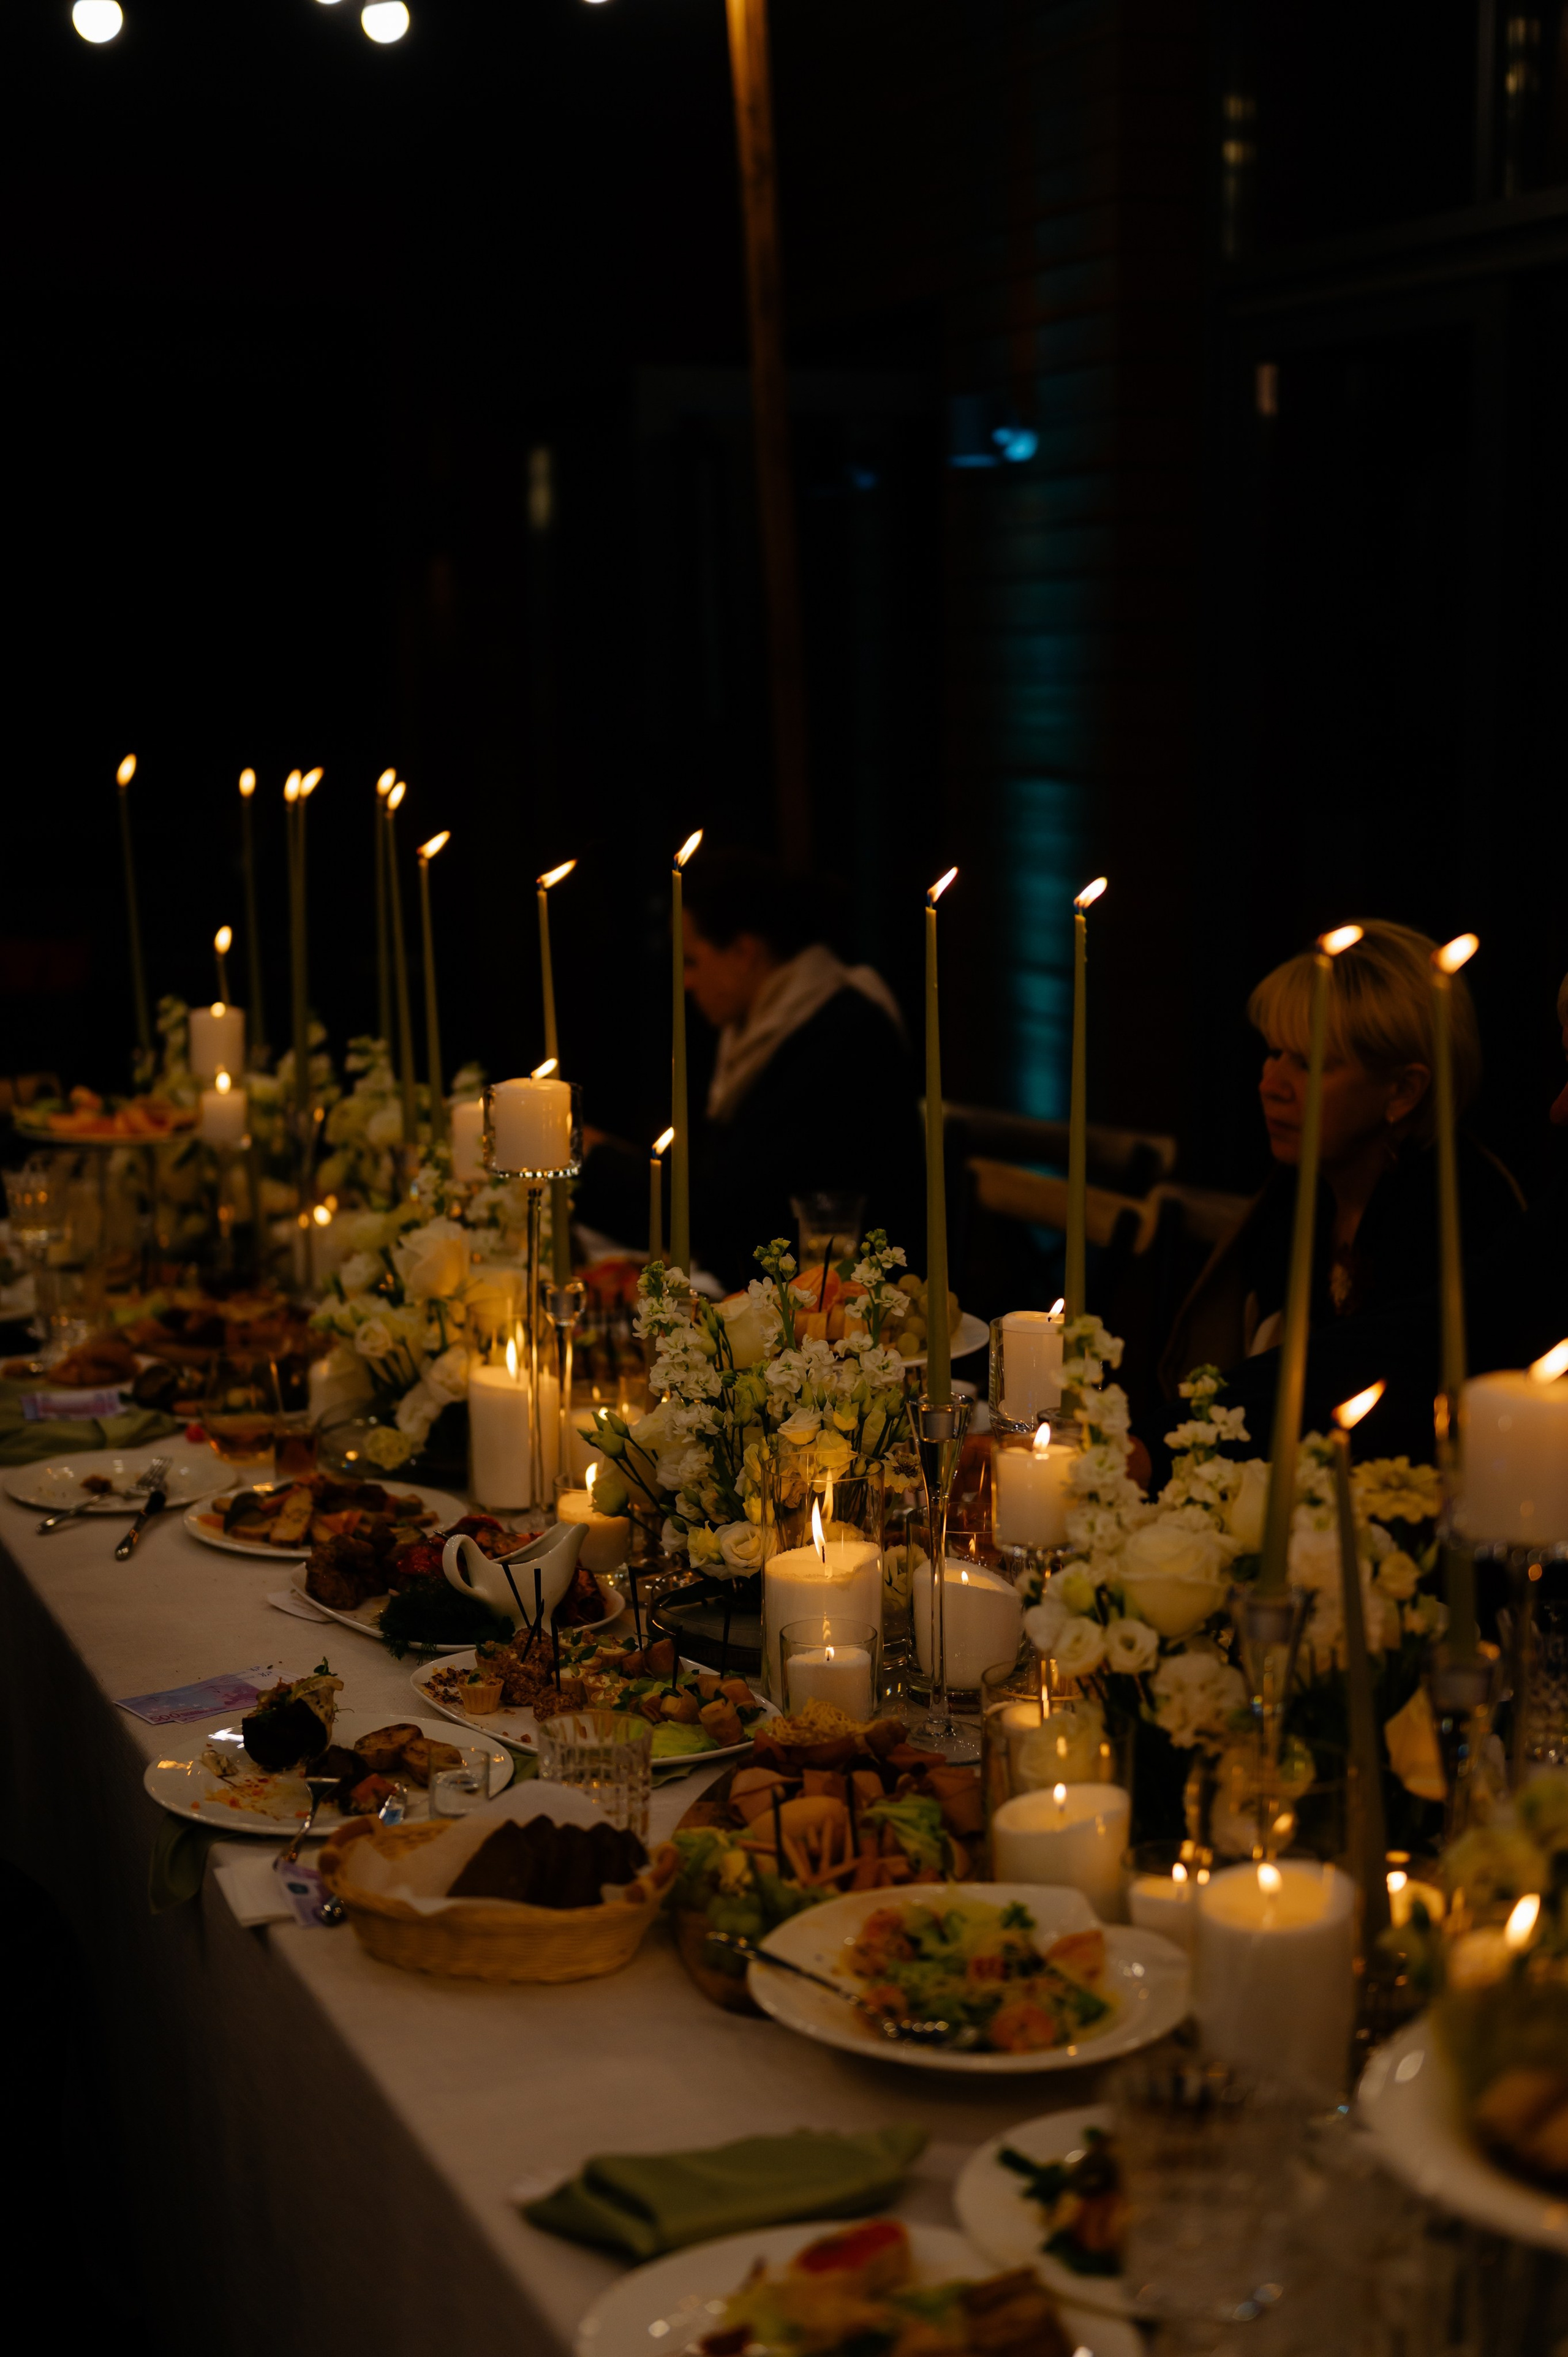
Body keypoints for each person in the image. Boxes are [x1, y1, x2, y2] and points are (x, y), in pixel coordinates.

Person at [1160, 921, 1523, 1397]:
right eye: (1274, 1052)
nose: (1270, 1086)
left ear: (1403, 1090)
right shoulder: (1291, 1196)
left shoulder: (1466, 1220)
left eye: (1309, 1064)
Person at [678, 848, 922, 1291]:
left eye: (692, 961)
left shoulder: (843, 1037)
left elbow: (732, 1204)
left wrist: (598, 1164)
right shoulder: (758, 1029)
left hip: (852, 1314)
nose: (686, 982)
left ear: (744, 952)